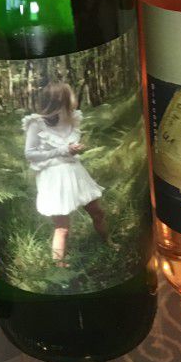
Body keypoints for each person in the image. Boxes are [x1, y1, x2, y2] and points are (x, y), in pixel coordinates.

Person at [23, 81, 109, 265]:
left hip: (75, 171)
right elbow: (29, 154)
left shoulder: (72, 118)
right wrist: (62, 150)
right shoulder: (36, 123)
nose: (73, 98)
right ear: (59, 99)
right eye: (69, 95)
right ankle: (59, 266)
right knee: (62, 228)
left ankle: (108, 243)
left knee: (98, 212)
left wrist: (74, 150)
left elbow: (68, 149)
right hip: (54, 177)